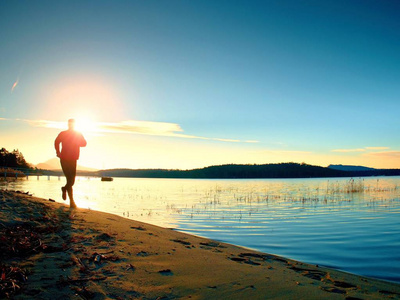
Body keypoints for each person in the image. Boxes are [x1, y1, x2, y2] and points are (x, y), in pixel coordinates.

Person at [54, 119, 87, 208]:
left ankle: (64, 188)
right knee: (69, 179)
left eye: (72, 124)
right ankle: (72, 202)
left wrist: (76, 141)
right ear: (68, 124)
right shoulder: (63, 133)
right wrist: (58, 152)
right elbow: (56, 141)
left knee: (72, 180)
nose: (71, 125)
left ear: (75, 125)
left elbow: (84, 143)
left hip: (73, 159)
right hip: (64, 158)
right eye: (70, 124)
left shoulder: (78, 134)